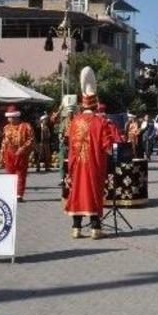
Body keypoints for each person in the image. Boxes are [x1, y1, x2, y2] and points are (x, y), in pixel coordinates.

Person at [65, 67, 114, 239]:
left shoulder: (75, 121)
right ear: (95, 105)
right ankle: (95, 228)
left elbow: (70, 143)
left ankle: (76, 228)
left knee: (77, 192)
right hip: (94, 165)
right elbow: (108, 147)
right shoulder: (100, 122)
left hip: (78, 164)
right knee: (93, 193)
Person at [1, 105, 35, 201]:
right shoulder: (6, 128)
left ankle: (19, 194)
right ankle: (10, 193)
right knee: (9, 173)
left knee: (21, 173)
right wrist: (2, 154)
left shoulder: (26, 126)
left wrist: (23, 148)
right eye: (8, 117)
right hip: (9, 152)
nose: (9, 119)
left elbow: (31, 139)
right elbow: (4, 142)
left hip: (21, 152)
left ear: (16, 117)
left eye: (11, 117)